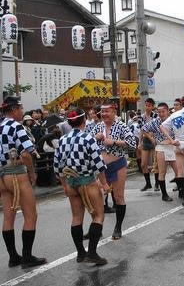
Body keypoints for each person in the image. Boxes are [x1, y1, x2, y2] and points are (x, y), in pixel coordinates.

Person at [54, 108, 110, 265]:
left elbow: (57, 168)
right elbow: (99, 165)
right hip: (87, 181)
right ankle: (92, 252)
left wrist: (64, 185)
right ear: (84, 120)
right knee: (98, 216)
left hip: (71, 182)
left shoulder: (62, 140)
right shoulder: (88, 138)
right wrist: (104, 184)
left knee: (76, 217)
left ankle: (80, 253)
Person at [0, 97, 47, 268]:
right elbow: (27, 153)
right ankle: (27, 257)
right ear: (13, 109)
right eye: (20, 108)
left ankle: (13, 257)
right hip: (16, 174)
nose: (22, 111)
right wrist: (32, 172)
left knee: (8, 216)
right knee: (30, 215)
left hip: (1, 176)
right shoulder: (15, 126)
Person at [92, 100, 136, 240]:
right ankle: (96, 228)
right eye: (102, 111)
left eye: (107, 111)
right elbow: (87, 142)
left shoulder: (122, 126)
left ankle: (118, 227)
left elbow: (132, 143)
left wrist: (115, 142)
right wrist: (95, 138)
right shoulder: (98, 126)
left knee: (118, 197)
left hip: (117, 164)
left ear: (114, 112)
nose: (104, 114)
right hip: (101, 168)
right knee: (97, 199)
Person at [142, 103, 179, 202]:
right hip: (161, 147)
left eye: (163, 111)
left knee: (178, 171)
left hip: (173, 146)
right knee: (162, 172)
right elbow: (144, 129)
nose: (161, 114)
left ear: (167, 111)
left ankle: (182, 192)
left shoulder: (173, 119)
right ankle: (164, 194)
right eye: (159, 112)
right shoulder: (155, 121)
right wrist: (151, 138)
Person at [139, 98, 158, 192]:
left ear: (153, 106)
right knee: (143, 164)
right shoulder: (141, 117)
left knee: (155, 163)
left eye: (149, 105)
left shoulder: (156, 116)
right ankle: (148, 183)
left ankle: (157, 183)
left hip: (155, 139)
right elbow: (141, 130)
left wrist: (152, 136)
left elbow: (158, 128)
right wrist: (139, 142)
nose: (147, 107)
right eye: (146, 105)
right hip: (146, 140)